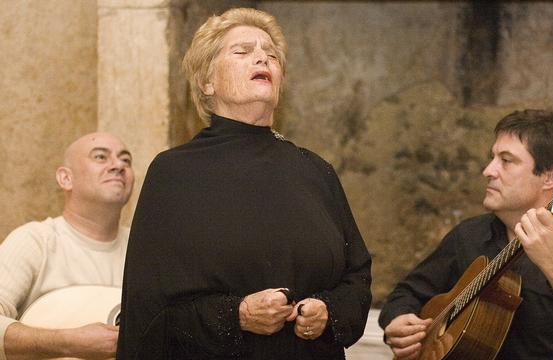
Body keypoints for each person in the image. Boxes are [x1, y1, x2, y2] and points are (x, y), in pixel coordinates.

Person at [116, 7, 372, 360]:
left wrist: (328, 311)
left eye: (271, 55)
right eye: (242, 51)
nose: (261, 58)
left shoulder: (316, 171)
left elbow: (357, 278)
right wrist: (237, 316)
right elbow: (147, 315)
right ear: (208, 82)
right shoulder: (174, 173)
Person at [379, 110, 553, 359]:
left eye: (506, 160)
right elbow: (407, 293)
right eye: (492, 158)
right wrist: (399, 319)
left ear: (551, 177)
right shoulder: (469, 235)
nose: (488, 170)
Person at [0, 132, 134, 359]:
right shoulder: (35, 241)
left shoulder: (144, 248)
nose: (118, 165)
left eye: (126, 160)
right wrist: (68, 343)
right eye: (101, 157)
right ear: (66, 179)